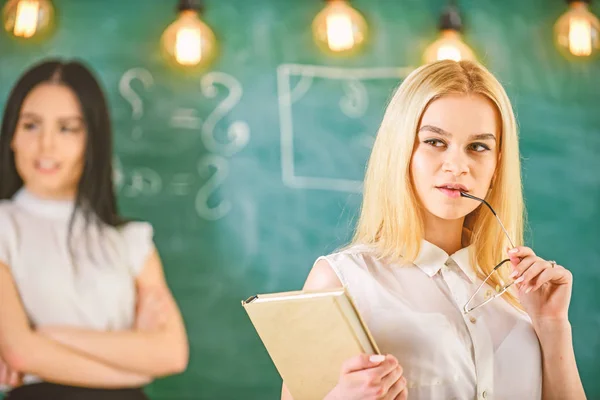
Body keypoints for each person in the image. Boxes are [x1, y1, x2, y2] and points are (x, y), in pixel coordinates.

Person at [281, 60, 586, 400]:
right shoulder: (339, 281)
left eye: (478, 147)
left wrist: (553, 326)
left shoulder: (521, 296)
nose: (457, 165)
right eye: (435, 142)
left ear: (497, 165)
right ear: (402, 151)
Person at [0, 59, 189, 399]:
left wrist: (47, 335)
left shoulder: (129, 239)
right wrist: (135, 363)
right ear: (11, 135)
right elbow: (19, 352)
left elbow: (173, 353)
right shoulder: (4, 226)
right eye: (30, 126)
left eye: (67, 128)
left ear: (92, 142)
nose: (46, 145)